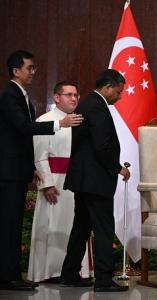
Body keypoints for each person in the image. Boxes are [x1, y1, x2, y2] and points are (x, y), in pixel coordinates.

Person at [0, 50, 83, 291]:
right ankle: (8, 277)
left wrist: (30, 168)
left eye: (34, 67)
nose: (33, 72)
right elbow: (25, 129)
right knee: (9, 226)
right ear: (16, 71)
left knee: (12, 225)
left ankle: (10, 274)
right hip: (8, 173)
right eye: (29, 68)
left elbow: (21, 137)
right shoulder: (10, 96)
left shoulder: (21, 95)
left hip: (17, 171)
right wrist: (60, 123)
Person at [60, 69, 130, 293]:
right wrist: (118, 168)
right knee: (103, 228)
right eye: (118, 92)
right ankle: (104, 280)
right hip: (96, 179)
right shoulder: (97, 107)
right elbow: (101, 146)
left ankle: (70, 274)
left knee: (81, 227)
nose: (119, 97)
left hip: (84, 179)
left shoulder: (88, 104)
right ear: (107, 87)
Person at [27, 81, 92, 283]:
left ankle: (74, 271)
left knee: (75, 225)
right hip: (54, 182)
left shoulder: (81, 121)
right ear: (56, 97)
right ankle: (49, 271)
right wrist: (46, 183)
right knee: (52, 224)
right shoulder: (44, 120)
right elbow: (39, 155)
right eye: (68, 95)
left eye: (76, 95)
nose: (74, 98)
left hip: (76, 182)